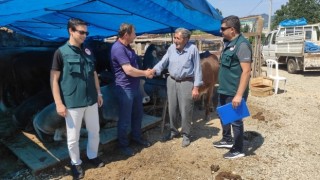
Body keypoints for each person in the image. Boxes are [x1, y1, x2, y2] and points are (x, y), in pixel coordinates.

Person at [50, 18, 104, 179]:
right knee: (73, 138)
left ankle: (92, 156)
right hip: (73, 102)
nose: (84, 35)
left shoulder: (87, 51)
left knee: (95, 131)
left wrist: (99, 93)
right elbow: (54, 79)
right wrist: (59, 103)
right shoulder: (61, 52)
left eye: (86, 32)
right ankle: (76, 163)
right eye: (81, 32)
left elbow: (93, 73)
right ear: (71, 31)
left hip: (91, 100)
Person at [153, 28, 203, 147]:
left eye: (177, 38)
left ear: (185, 39)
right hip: (171, 80)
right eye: (174, 38)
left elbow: (197, 69)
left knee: (186, 109)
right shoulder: (171, 48)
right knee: (172, 108)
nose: (175, 40)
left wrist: (196, 87)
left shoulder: (192, 49)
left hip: (186, 82)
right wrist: (154, 70)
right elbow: (163, 62)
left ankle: (186, 134)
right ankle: (173, 131)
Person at [212, 15, 252, 159]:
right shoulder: (228, 43)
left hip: (234, 91)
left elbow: (246, 71)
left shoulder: (242, 45)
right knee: (222, 114)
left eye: (223, 28)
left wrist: (239, 95)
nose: (221, 31)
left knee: (235, 120)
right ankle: (227, 139)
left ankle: (238, 149)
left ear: (232, 30)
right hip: (224, 88)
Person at [110, 23, 153, 156]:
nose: (136, 35)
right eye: (134, 33)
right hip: (125, 89)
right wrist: (145, 73)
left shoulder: (127, 47)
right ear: (126, 35)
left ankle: (136, 137)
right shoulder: (118, 48)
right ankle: (123, 145)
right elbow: (128, 70)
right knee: (125, 118)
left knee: (138, 115)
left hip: (134, 87)